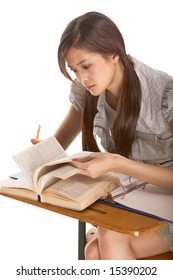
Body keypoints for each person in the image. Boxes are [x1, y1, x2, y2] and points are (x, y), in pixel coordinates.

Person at [31, 11, 173, 259]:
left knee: (103, 243)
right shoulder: (86, 90)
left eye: (86, 66)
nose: (81, 78)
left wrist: (119, 163)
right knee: (93, 251)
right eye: (74, 70)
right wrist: (44, 151)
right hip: (137, 194)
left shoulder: (164, 95)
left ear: (114, 53)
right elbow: (59, 142)